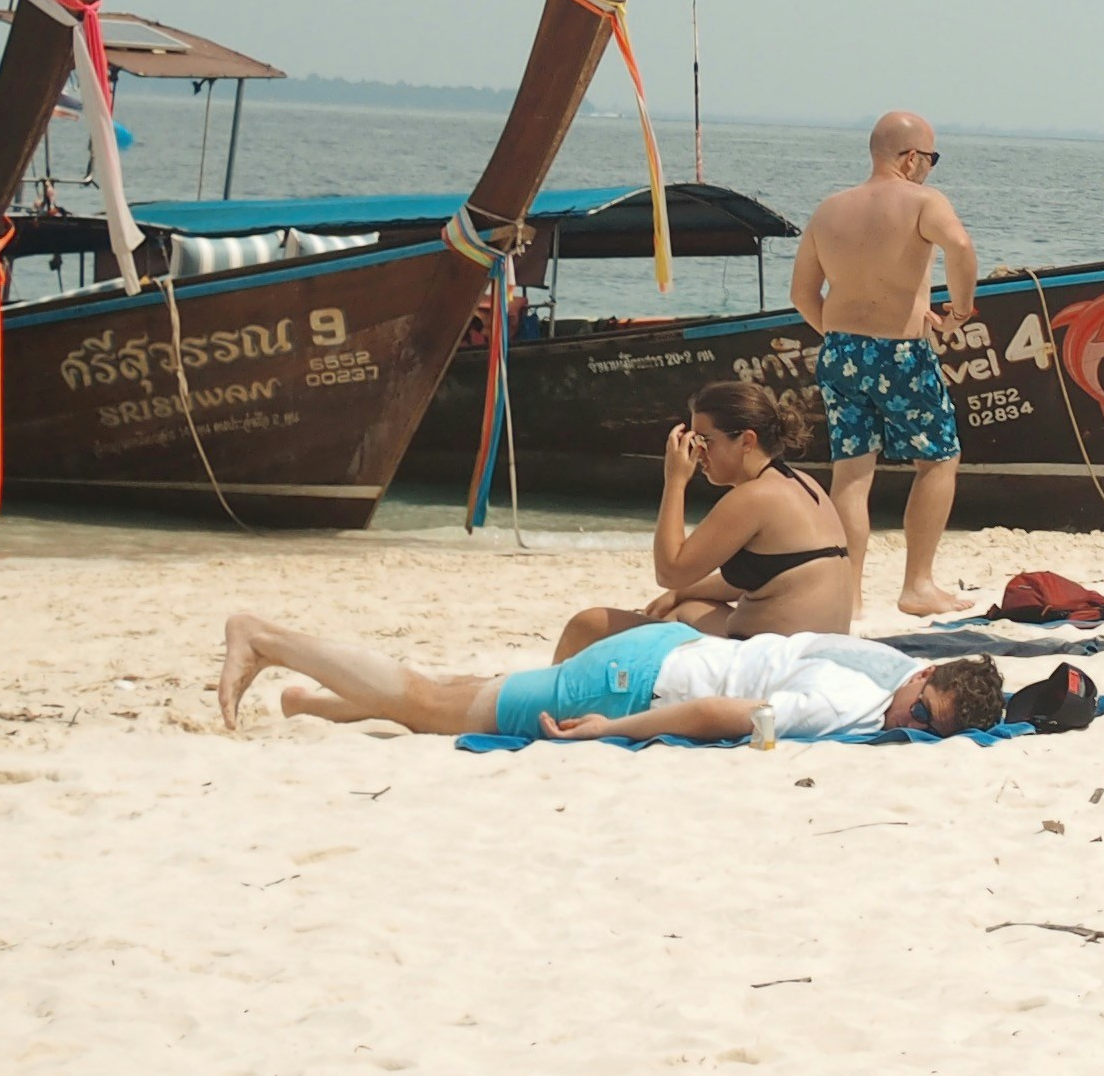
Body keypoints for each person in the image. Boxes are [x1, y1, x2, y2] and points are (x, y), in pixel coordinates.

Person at [217, 613, 998, 743]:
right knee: (430, 705)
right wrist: (612, 731)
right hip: (629, 687)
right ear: (924, 679)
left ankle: (311, 703)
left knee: (466, 691)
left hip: (670, 645)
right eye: (922, 713)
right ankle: (268, 640)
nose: (911, 727)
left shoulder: (898, 664)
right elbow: (719, 716)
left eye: (930, 730)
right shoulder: (845, 703)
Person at [790, 110, 987, 614]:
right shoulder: (923, 201)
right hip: (900, 352)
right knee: (938, 458)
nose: (931, 169)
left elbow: (801, 293)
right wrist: (960, 311)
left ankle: (849, 596)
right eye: (932, 158)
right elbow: (961, 247)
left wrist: (839, 337)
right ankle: (917, 585)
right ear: (911, 157)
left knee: (852, 472)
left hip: (839, 351)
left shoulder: (829, 209)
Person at [552, 379, 853, 657]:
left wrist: (675, 481)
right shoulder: (802, 483)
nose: (698, 454)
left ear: (747, 441)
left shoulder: (754, 497)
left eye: (705, 441)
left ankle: (548, 706)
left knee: (588, 624)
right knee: (687, 607)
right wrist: (681, 593)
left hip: (770, 662)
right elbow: (778, 576)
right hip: (813, 653)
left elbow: (669, 571)